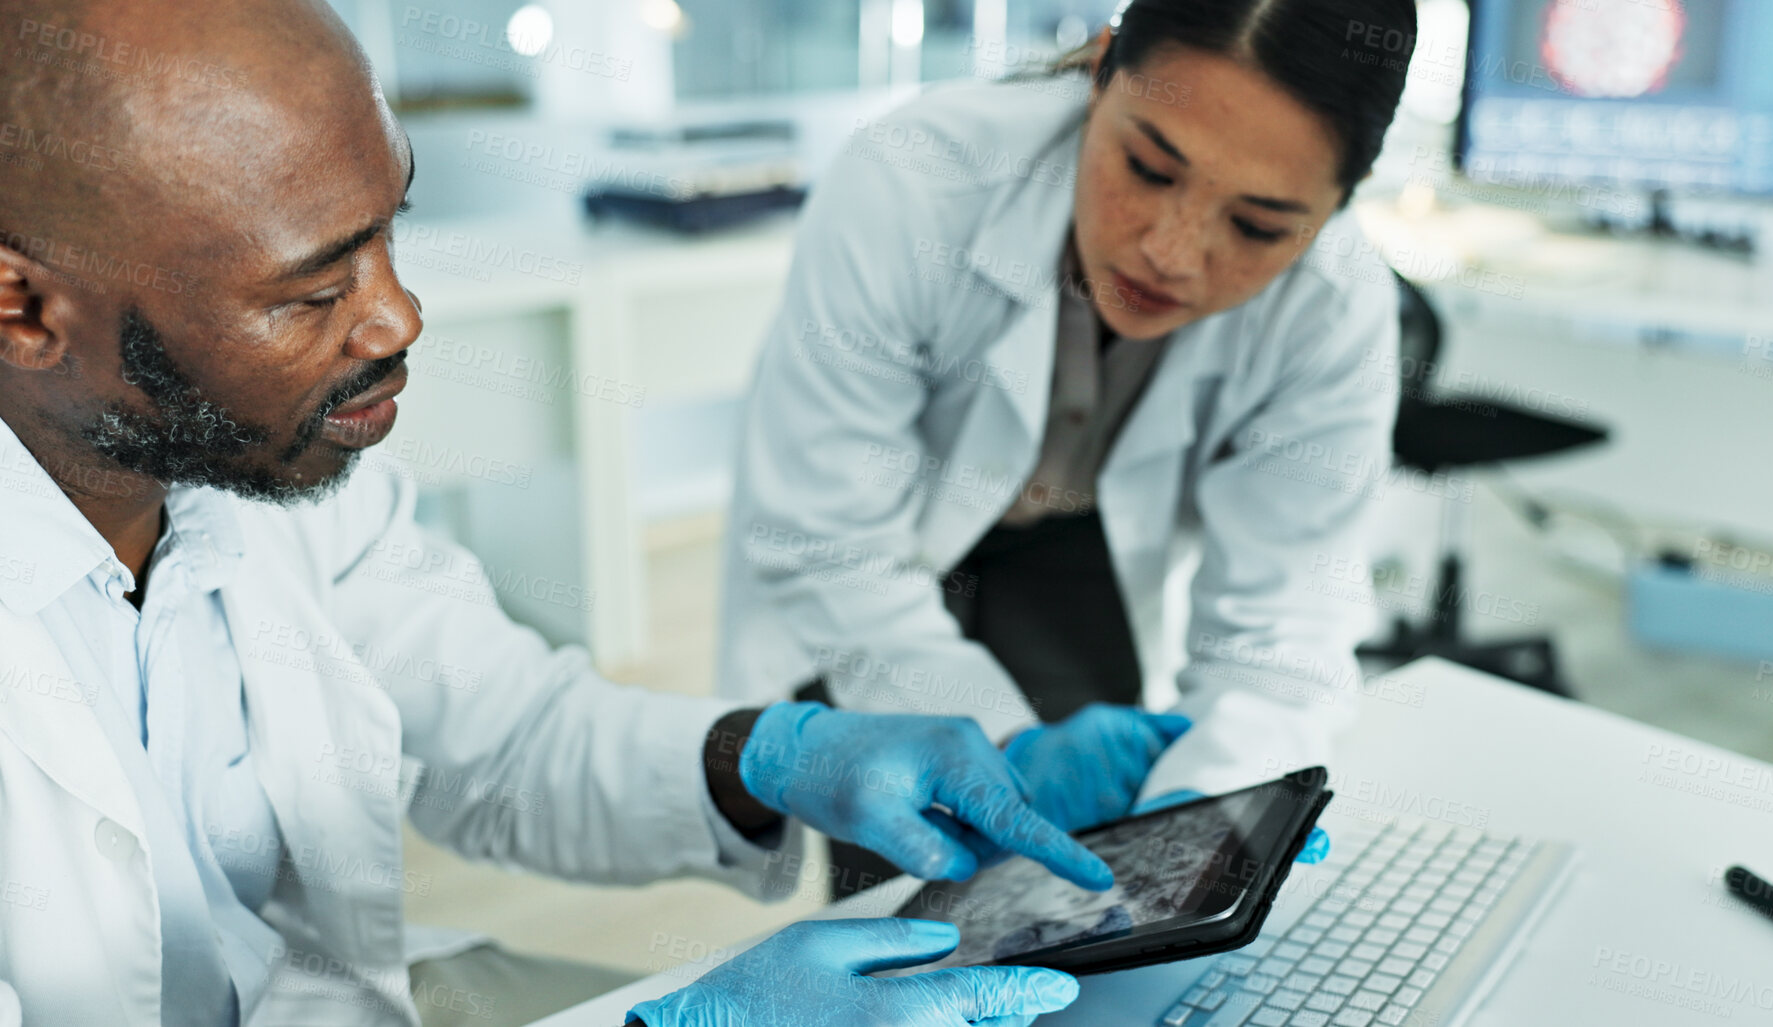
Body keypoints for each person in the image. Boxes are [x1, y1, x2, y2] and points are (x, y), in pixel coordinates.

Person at [0, 1, 1126, 1025]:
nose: (399, 318)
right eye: (312, 291)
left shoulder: (259, 479)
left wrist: (773, 756)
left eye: (393, 230)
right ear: (26, 308)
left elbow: (501, 735)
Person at [719, 0, 1419, 881]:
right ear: (1097, 71)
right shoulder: (916, 180)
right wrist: (1001, 744)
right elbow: (832, 543)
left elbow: (1282, 626)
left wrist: (1208, 811)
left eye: (1256, 226)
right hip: (883, 542)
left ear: (1336, 206)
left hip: (1078, 543)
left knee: (1088, 872)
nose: (1172, 252)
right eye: (1149, 167)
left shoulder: (1334, 299)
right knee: (904, 867)